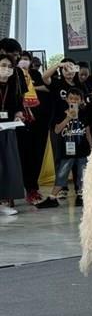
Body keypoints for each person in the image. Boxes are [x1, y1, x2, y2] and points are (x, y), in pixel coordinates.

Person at [36, 88, 92, 209]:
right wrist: (68, 117)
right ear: (66, 99)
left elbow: (88, 132)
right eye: (71, 98)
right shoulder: (61, 113)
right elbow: (57, 130)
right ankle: (53, 197)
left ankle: (81, 195)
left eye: (77, 99)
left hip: (82, 150)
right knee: (62, 173)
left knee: (82, 174)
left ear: (81, 100)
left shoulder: (85, 113)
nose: (74, 101)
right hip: (67, 151)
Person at [16, 51, 50, 204]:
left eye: (26, 59)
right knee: (21, 157)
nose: (23, 62)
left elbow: (48, 88)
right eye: (21, 59)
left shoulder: (35, 74)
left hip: (37, 122)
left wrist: (34, 88)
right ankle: (13, 192)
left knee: (36, 156)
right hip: (19, 122)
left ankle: (32, 188)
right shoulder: (14, 75)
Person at [0, 53, 25, 215]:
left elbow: (18, 105)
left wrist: (18, 114)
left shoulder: (13, 84)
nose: (6, 70)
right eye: (3, 65)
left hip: (8, 129)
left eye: (10, 67)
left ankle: (5, 200)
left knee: (9, 164)